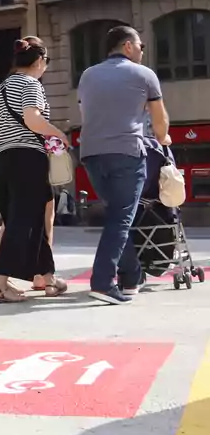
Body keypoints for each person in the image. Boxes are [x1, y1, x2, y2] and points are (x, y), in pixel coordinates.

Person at [78, 25, 169, 305]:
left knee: (118, 216)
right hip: (126, 152)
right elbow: (159, 120)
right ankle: (103, 283)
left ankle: (131, 276)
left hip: (91, 154)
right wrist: (164, 138)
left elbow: (85, 111)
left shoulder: (87, 75)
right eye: (141, 45)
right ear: (128, 46)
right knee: (121, 218)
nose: (143, 50)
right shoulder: (145, 75)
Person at [0, 37, 69, 303]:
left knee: (28, 219)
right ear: (39, 61)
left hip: (1, 159)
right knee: (23, 221)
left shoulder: (3, 87)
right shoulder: (31, 83)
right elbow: (32, 119)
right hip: (26, 159)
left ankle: (48, 276)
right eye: (46, 62)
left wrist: (9, 138)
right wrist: (58, 134)